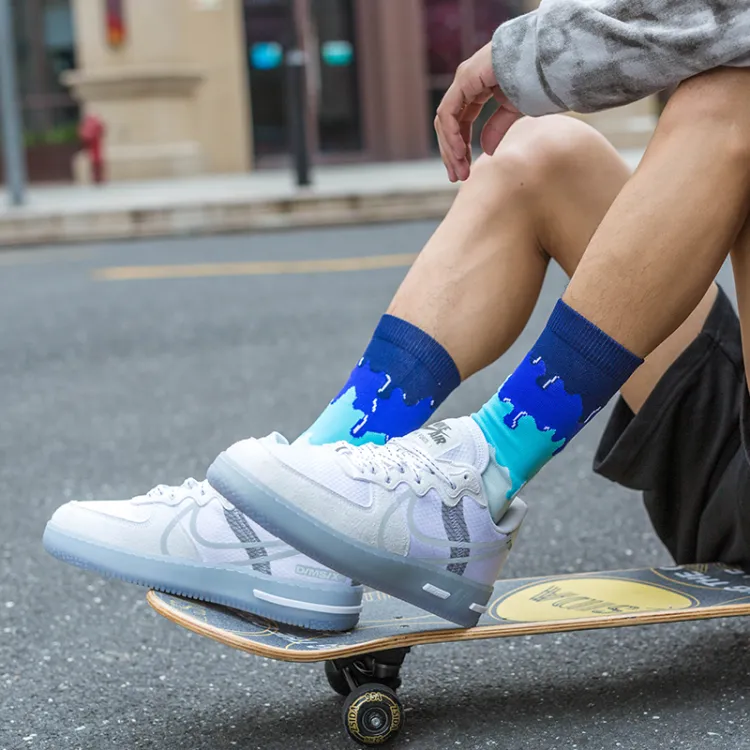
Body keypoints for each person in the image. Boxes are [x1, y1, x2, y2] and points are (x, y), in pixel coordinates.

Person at [45, 3, 750, 630]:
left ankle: (480, 481)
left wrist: (530, 55)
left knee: (734, 95)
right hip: (727, 444)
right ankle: (292, 516)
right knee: (543, 150)